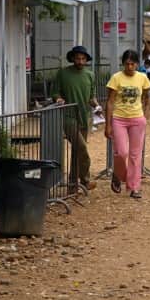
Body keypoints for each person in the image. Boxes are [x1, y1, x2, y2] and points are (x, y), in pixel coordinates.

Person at [105, 49, 150, 199]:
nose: (130, 67)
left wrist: (144, 114)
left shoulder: (142, 78)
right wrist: (108, 124)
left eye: (133, 64)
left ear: (137, 64)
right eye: (127, 64)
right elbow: (110, 101)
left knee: (135, 155)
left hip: (137, 119)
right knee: (121, 152)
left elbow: (146, 97)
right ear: (123, 64)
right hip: (119, 118)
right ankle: (118, 174)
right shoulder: (116, 78)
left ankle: (134, 187)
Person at [52, 45, 98, 191]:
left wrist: (97, 106)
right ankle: (85, 179)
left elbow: (91, 97)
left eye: (83, 58)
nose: (80, 61)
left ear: (86, 60)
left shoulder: (90, 75)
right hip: (68, 117)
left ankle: (73, 185)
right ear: (72, 58)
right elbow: (55, 92)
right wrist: (58, 99)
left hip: (84, 117)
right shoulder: (63, 73)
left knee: (76, 151)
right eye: (77, 58)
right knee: (82, 148)